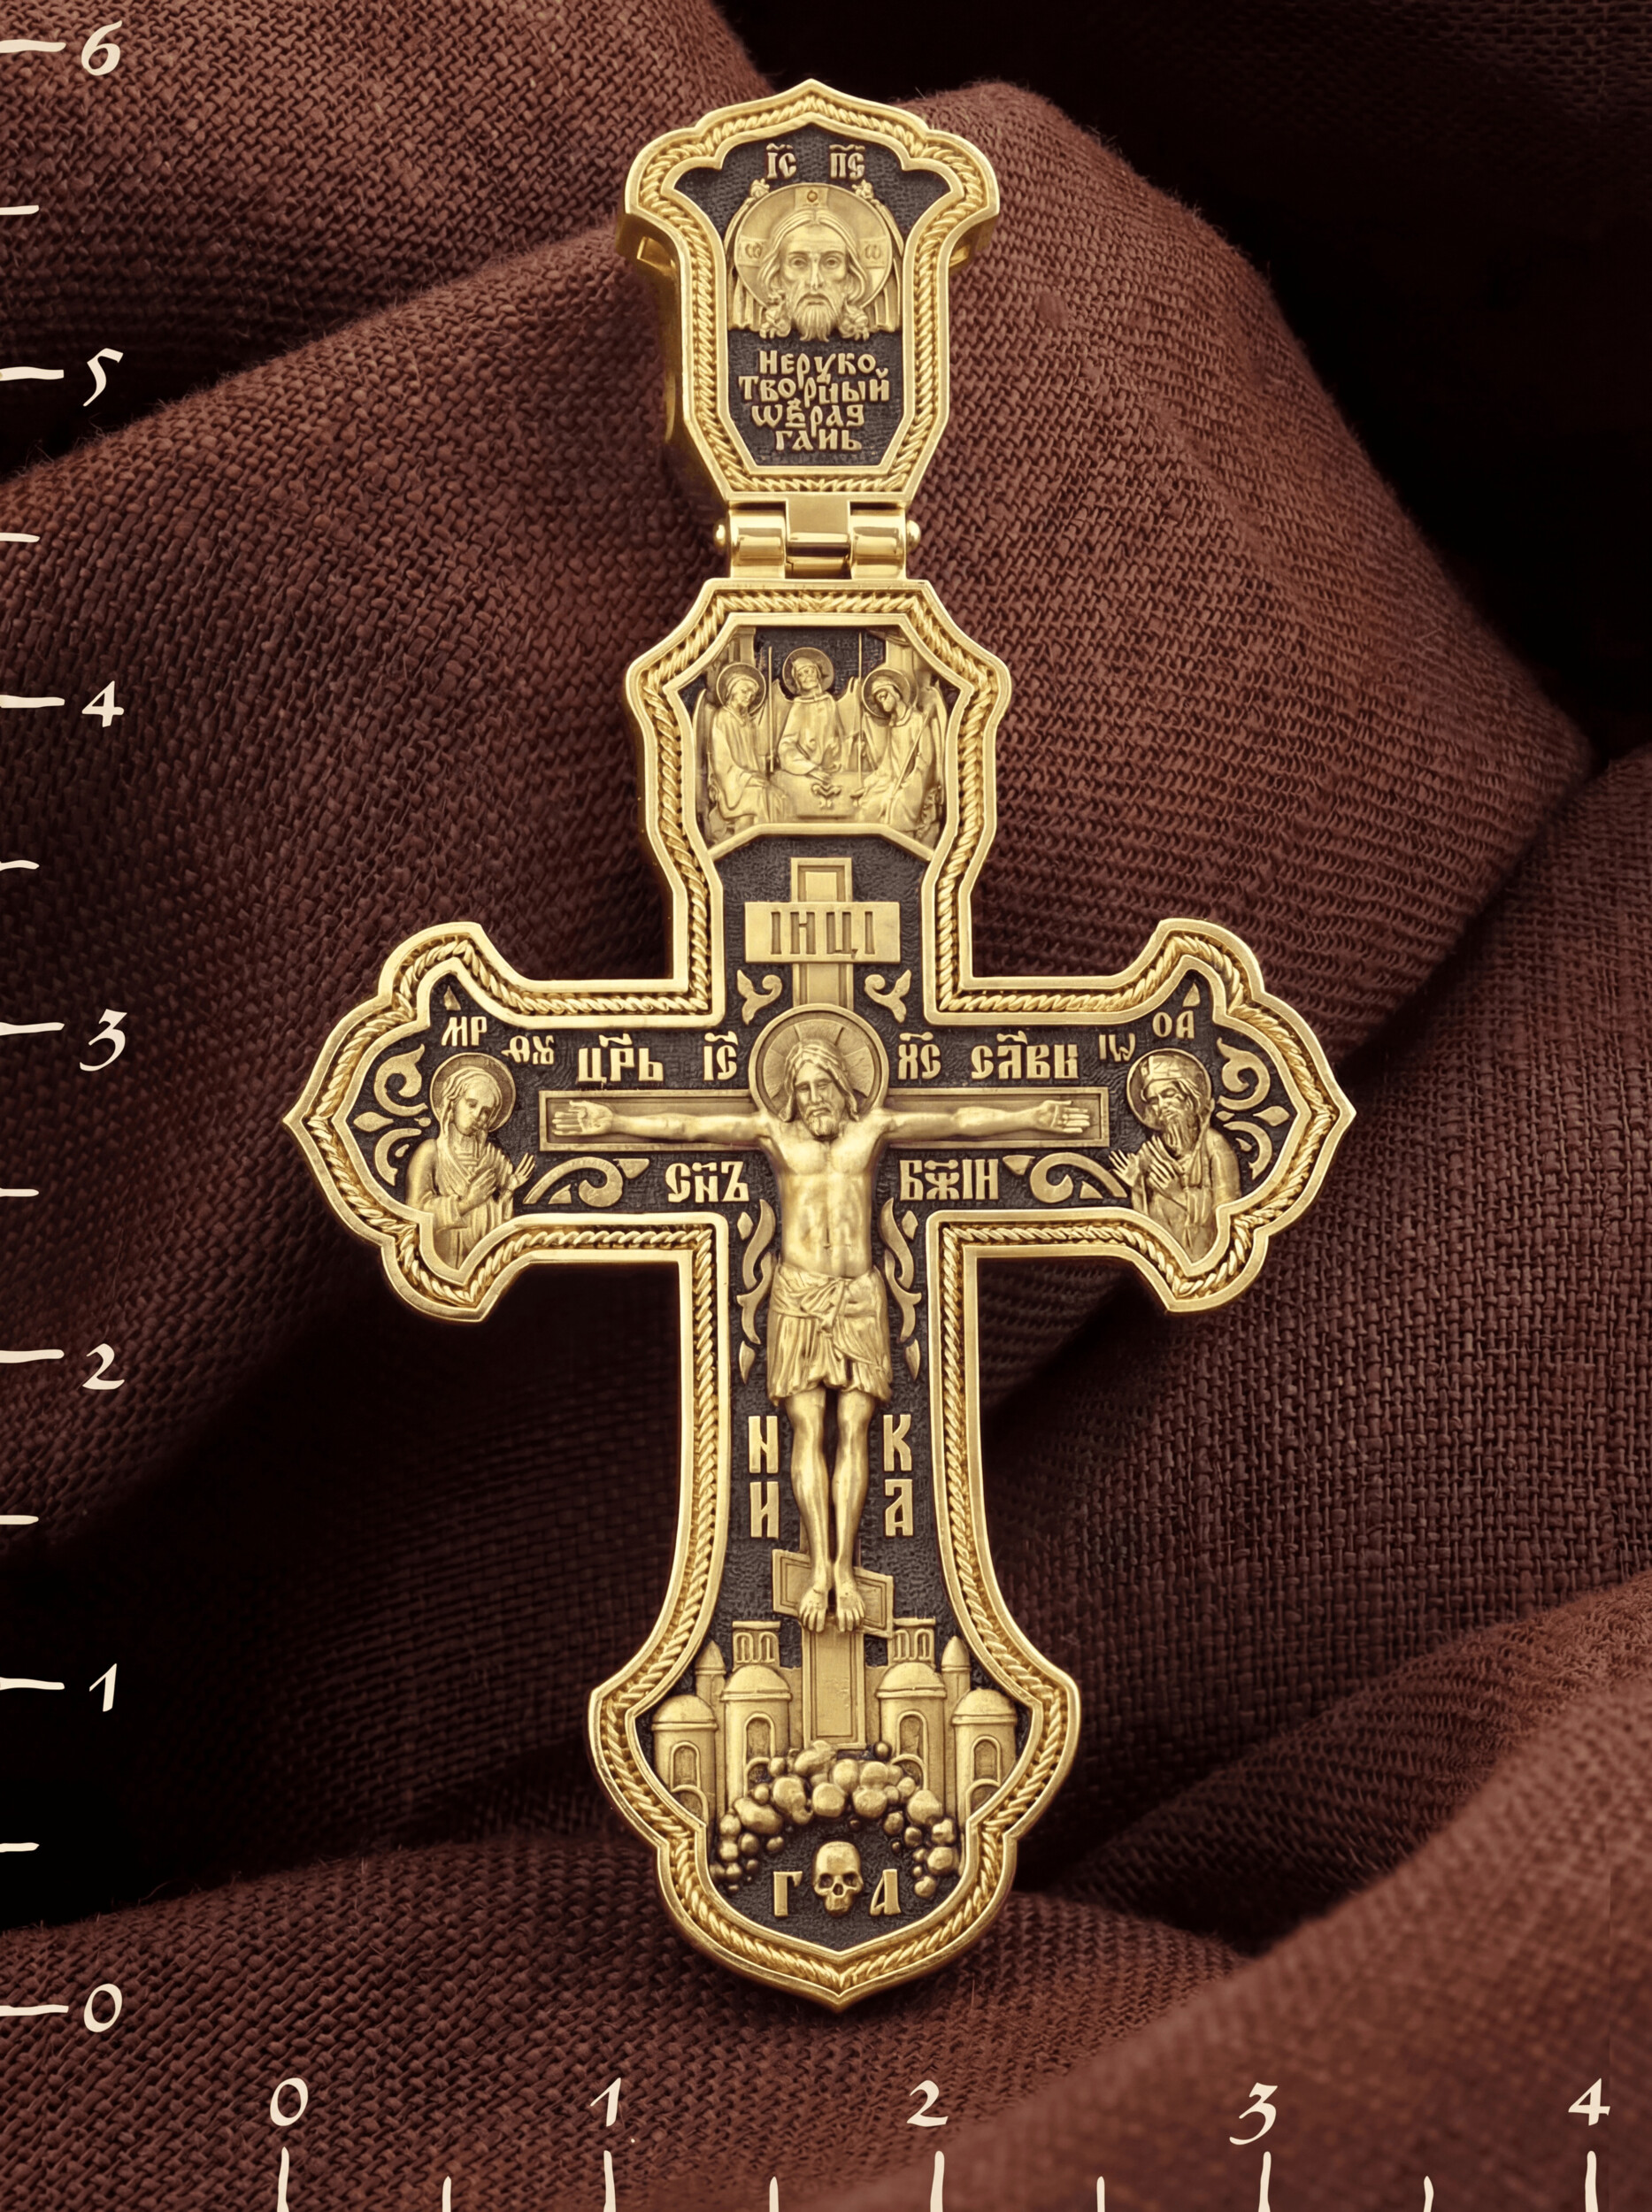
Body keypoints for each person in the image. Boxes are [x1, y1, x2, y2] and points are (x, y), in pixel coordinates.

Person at [550, 1013, 1087, 1633]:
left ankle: (845, 1571)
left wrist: (1034, 1115)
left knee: (855, 1430)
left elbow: (959, 1119)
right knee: (807, 1430)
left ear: (840, 1083)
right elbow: (688, 1125)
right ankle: (818, 1573)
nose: (812, 1099)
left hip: (857, 1298)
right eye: (801, 1089)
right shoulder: (776, 1137)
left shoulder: (871, 1132)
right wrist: (613, 1122)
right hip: (798, 1298)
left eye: (820, 1085)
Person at [405, 1055, 534, 1270]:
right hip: (441, 1259)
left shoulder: (493, 1158)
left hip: (484, 1261)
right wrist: (466, 1203)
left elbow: (499, 1225)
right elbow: (413, 1214)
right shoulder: (430, 1152)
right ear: (452, 1102)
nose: (477, 1115)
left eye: (486, 1112)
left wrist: (508, 1192)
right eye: (471, 1104)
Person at [1110, 1048, 1241, 1260]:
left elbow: (1228, 1216)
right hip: (1163, 1255)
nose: (1161, 1106)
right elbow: (1144, 1228)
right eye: (1154, 1100)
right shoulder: (1149, 1153)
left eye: (1168, 1095)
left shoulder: (1214, 1145)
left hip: (1202, 1254)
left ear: (1188, 1096)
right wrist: (1137, 1186)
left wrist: (1177, 1194)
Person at [857, 665, 941, 841]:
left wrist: (907, 785)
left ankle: (905, 844)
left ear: (895, 693)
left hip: (916, 782)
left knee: (897, 806)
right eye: (879, 700)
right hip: (894, 781)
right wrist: (870, 783)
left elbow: (926, 760)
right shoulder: (893, 725)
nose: (882, 702)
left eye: (884, 696)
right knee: (869, 804)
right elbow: (888, 764)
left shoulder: (917, 721)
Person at [705, 664, 788, 833]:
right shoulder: (722, 718)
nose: (749, 697)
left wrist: (766, 762)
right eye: (744, 691)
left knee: (780, 796)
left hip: (748, 781)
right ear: (732, 691)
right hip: (731, 788)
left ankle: (777, 841)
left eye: (752, 694)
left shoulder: (748, 722)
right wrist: (747, 778)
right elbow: (722, 764)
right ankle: (763, 842)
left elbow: (750, 758)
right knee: (764, 797)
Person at [773, 648, 844, 817]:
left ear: (818, 674)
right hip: (807, 769)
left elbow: (840, 735)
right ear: (797, 682)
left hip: (833, 766)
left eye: (810, 671)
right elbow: (785, 746)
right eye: (801, 674)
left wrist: (848, 749)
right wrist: (809, 768)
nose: (807, 676)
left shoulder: (829, 702)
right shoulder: (799, 706)